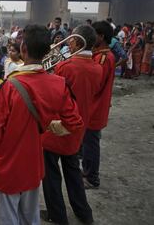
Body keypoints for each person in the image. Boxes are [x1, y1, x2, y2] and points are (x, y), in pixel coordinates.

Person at [0, 24, 84, 225]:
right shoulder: (58, 83)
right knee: (30, 214)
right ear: (47, 50)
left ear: (24, 49)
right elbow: (74, 122)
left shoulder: (6, 87)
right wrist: (52, 125)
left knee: (9, 214)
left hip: (9, 164)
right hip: (34, 160)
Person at [41, 25, 101, 225]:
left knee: (51, 174)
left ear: (76, 41)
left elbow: (51, 92)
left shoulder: (66, 66)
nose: (67, 41)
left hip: (58, 126)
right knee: (73, 170)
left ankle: (57, 215)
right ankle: (84, 213)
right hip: (78, 126)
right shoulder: (97, 67)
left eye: (69, 39)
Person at [83, 21, 116, 189]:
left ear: (101, 36)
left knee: (91, 144)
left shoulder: (103, 57)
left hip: (95, 108)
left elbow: (96, 84)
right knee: (88, 142)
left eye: (93, 34)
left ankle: (92, 177)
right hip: (94, 107)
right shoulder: (100, 55)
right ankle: (87, 171)